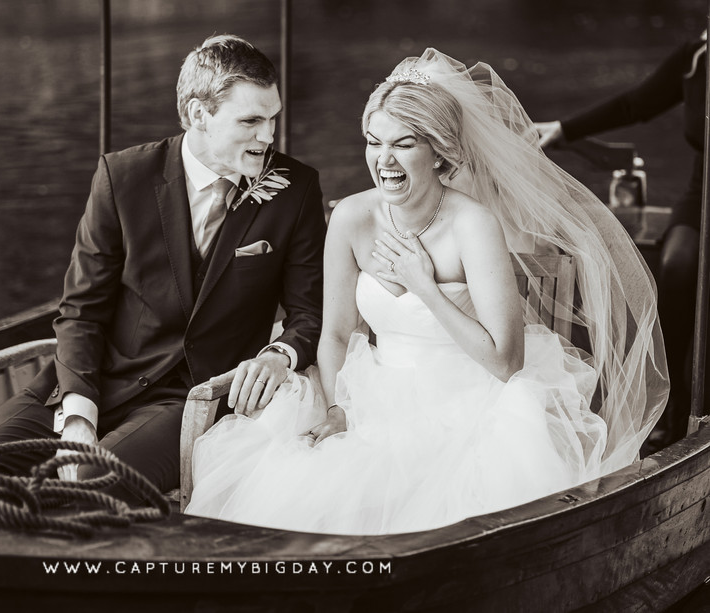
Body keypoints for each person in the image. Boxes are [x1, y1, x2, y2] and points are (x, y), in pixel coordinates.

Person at [185, 49, 669, 535]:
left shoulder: (473, 225)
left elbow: (506, 362)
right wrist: (338, 409)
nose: (384, 160)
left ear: (439, 152)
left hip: (469, 401)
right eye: (374, 143)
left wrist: (426, 287)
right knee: (289, 487)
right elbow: (333, 334)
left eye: (404, 144)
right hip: (370, 392)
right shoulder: (352, 217)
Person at [0, 34, 326, 504]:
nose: (268, 137)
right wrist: (79, 417)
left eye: (273, 119)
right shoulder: (122, 176)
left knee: (84, 490)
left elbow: (309, 314)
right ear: (197, 115)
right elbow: (81, 311)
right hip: (88, 382)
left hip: (188, 400)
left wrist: (279, 355)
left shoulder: (296, 189)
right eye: (251, 121)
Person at [535, 30, 706, 446]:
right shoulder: (697, 52)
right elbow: (635, 103)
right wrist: (565, 128)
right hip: (703, 192)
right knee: (677, 263)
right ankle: (674, 408)